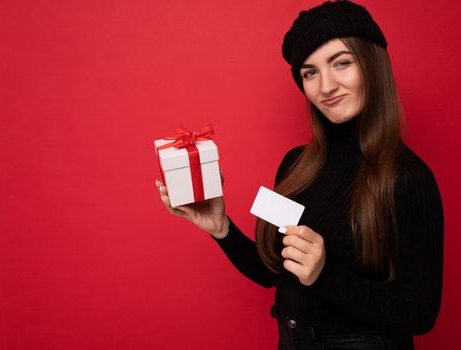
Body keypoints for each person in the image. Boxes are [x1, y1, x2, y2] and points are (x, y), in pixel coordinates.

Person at [155, 1, 444, 349]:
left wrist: (326, 274)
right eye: (310, 72)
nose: (326, 86)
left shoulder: (409, 177)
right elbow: (272, 273)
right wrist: (222, 228)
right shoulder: (295, 165)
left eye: (341, 63)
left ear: (372, 64)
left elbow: (420, 314)